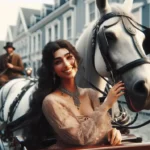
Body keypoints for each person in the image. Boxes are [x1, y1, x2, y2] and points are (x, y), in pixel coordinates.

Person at [30, 40, 125, 149]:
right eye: (58, 62)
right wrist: (107, 104)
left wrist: (112, 133)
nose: (66, 64)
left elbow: (102, 129)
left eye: (69, 57)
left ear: (75, 58)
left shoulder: (91, 94)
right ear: (52, 69)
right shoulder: (51, 101)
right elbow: (79, 138)